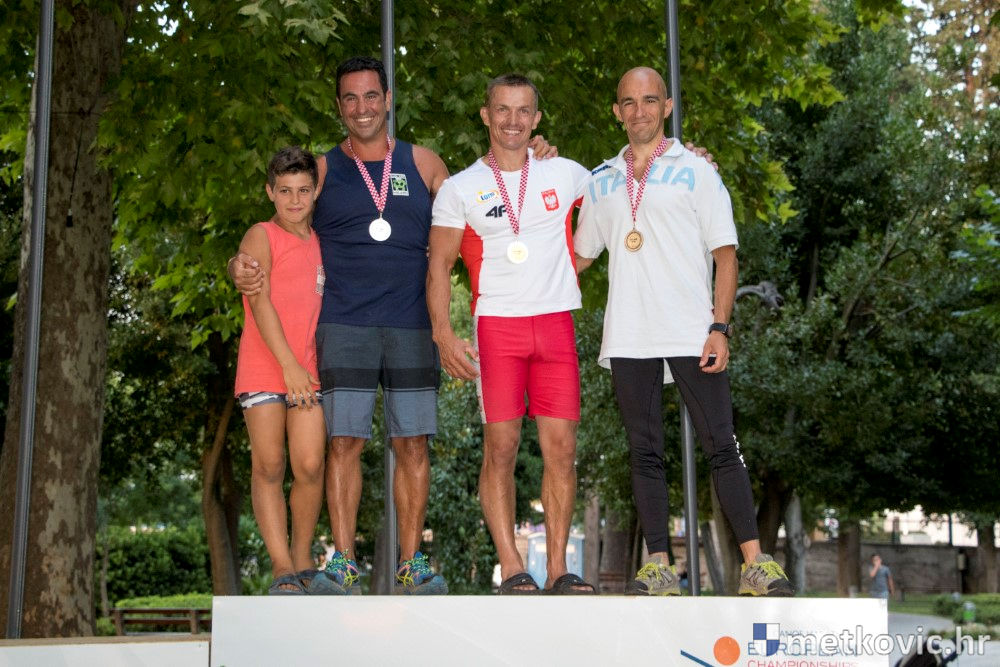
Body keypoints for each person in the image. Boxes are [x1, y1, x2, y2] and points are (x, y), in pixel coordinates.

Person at [229, 57, 556, 595]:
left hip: (411, 324)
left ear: (387, 100)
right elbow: (278, 232)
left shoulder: (425, 163)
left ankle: (410, 562)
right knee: (343, 444)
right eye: (350, 98)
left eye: (371, 96)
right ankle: (342, 562)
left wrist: (533, 156)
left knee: (413, 446)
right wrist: (238, 266)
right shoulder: (322, 171)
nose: (362, 108)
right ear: (339, 107)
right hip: (343, 325)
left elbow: (485, 192)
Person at [573, 66, 794, 597]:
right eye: (629, 102)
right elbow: (578, 257)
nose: (640, 111)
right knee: (643, 450)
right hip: (629, 334)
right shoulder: (600, 179)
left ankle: (756, 564)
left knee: (723, 444)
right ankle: (659, 567)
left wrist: (720, 327)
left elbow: (726, 255)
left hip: (693, 330)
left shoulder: (697, 170)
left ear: (667, 106)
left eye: (650, 100)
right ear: (617, 111)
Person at [427, 74, 596, 595]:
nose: (513, 121)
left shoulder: (566, 172)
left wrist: (693, 157)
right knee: (501, 448)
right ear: (486, 115)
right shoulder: (459, 188)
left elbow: (625, 190)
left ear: (537, 119)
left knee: (561, 449)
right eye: (502, 109)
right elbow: (439, 268)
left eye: (524, 111)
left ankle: (559, 569)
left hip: (555, 325)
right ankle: (512, 566)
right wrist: (443, 334)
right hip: (496, 328)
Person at [234, 146, 326, 595]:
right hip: (265, 367)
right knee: (269, 464)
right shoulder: (260, 235)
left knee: (309, 464)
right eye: (285, 190)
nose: (294, 200)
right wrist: (288, 365)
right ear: (270, 192)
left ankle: (304, 556)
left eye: (303, 190)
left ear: (316, 191)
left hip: (307, 370)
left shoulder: (323, 241)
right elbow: (259, 301)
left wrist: (299, 367)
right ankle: (281, 566)